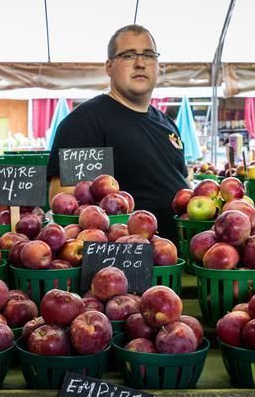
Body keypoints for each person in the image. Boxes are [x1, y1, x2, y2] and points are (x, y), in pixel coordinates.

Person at [49, 26, 189, 244]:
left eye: (148, 55)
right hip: (122, 267)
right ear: (109, 66)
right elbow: (67, 207)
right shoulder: (85, 122)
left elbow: (184, 184)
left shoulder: (168, 124)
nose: (140, 63)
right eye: (129, 55)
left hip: (176, 259)